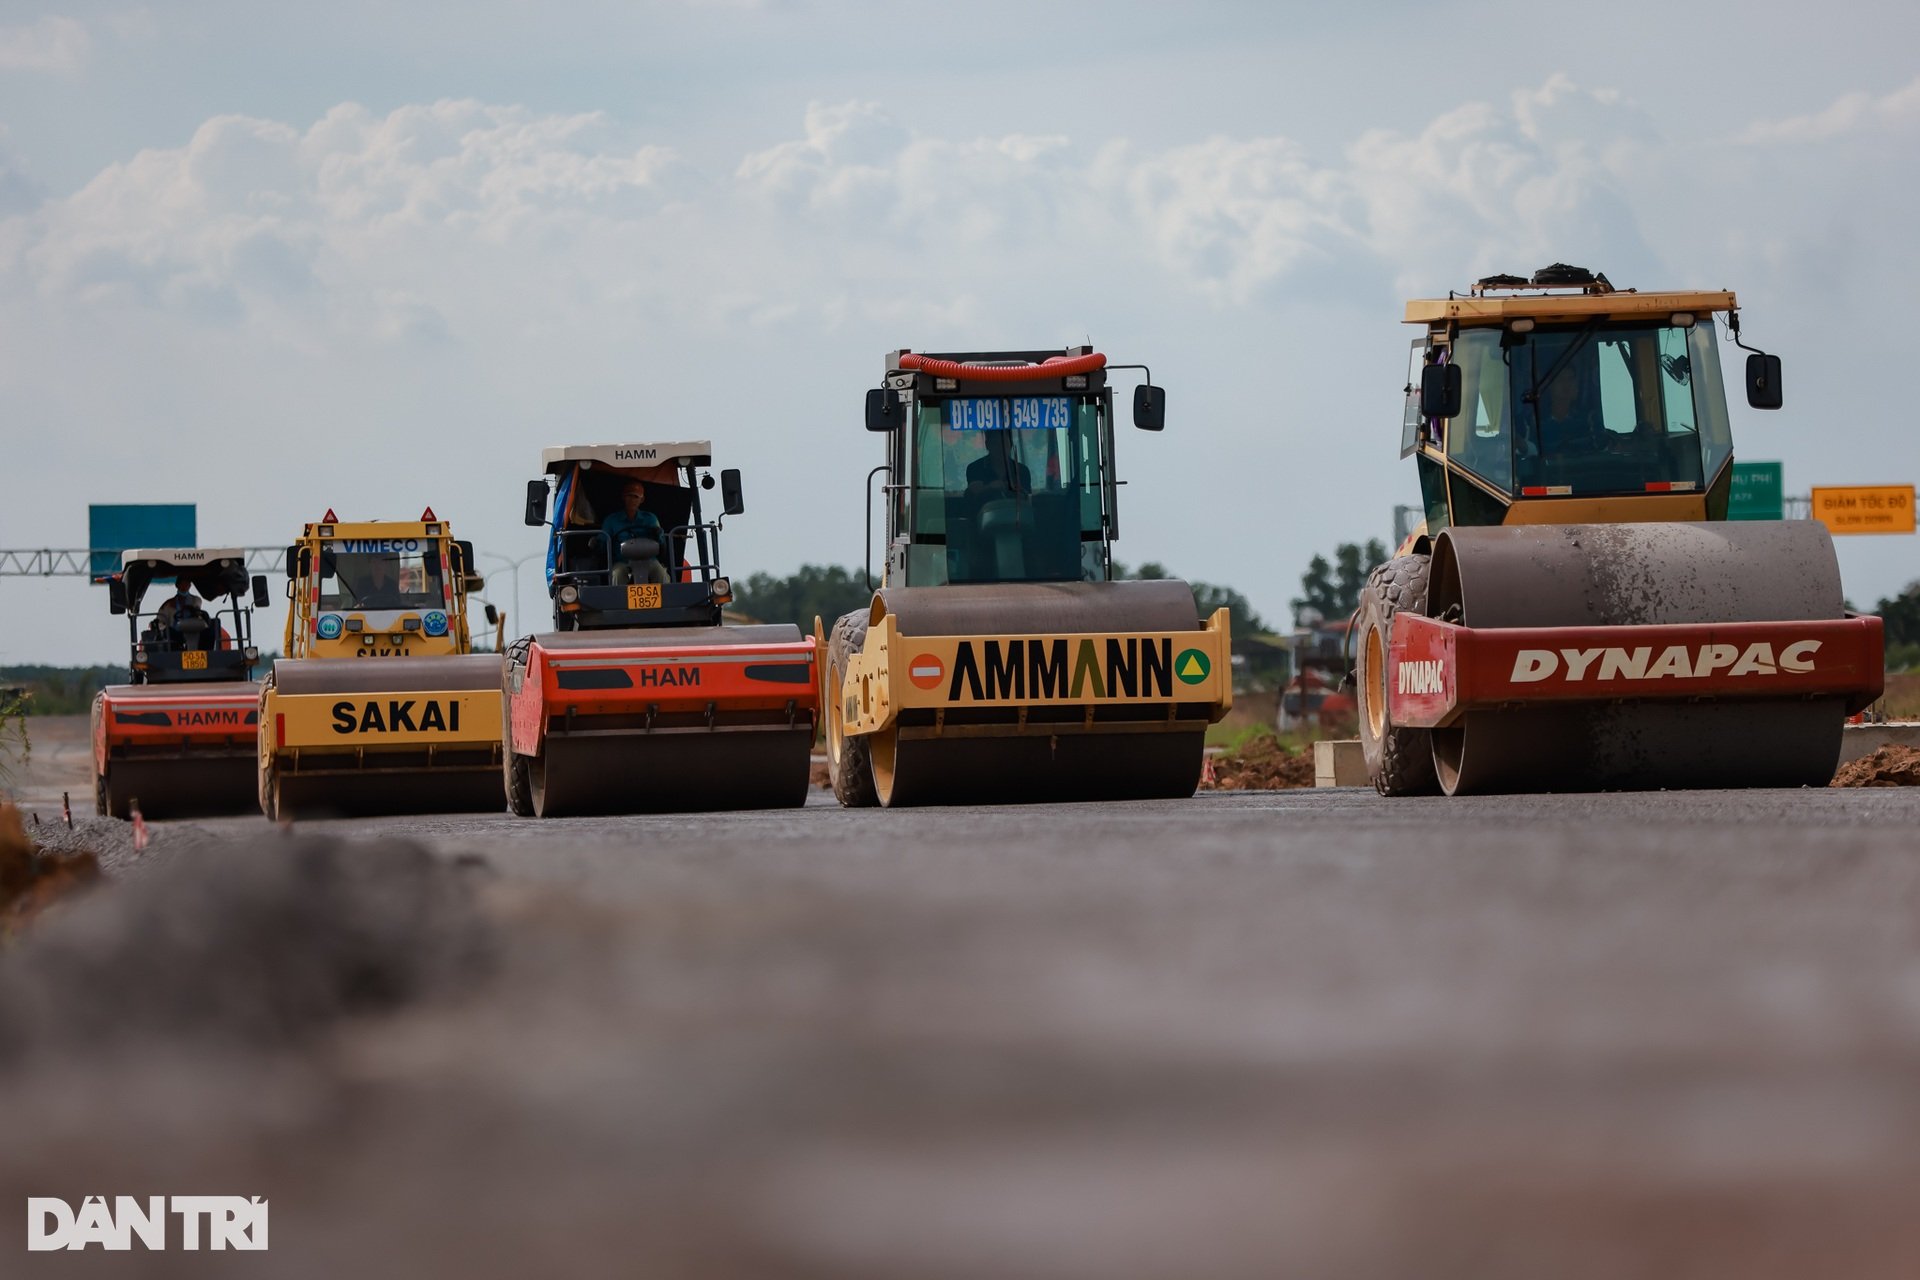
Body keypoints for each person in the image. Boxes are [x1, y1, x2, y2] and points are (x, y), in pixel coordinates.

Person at [603, 480, 669, 587]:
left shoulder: (650, 519)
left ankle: (666, 601)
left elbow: (661, 542)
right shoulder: (611, 520)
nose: (632, 500)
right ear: (623, 497)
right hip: (622, 561)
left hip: (649, 560)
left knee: (661, 573)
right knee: (616, 574)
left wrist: (658, 534)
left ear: (642, 499)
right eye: (629, 496)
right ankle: (619, 601)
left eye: (636, 497)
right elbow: (602, 541)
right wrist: (596, 543)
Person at [153, 576, 211, 651]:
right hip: (176, 631)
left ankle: (205, 651)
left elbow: (197, 609)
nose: (184, 587)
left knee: (209, 630)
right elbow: (160, 620)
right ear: (177, 585)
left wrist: (192, 610)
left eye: (187, 584)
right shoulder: (168, 604)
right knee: (170, 633)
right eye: (182, 584)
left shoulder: (195, 600)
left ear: (190, 586)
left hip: (194, 628)